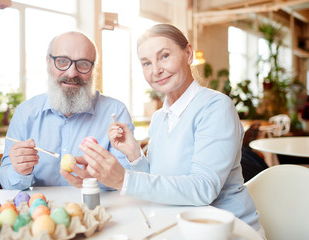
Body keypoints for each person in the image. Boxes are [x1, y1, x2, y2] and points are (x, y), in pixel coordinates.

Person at [75, 24, 265, 237]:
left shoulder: (216, 107)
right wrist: (135, 153)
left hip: (228, 230)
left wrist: (123, 180)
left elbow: (203, 188)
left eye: (164, 56)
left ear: (189, 54)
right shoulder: (159, 118)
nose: (155, 70)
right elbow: (160, 183)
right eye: (146, 63)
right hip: (181, 226)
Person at [0, 31, 134, 190]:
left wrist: (102, 179)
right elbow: (6, 180)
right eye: (62, 61)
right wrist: (19, 171)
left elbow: (130, 180)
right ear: (48, 62)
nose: (72, 73)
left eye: (83, 64)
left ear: (93, 68)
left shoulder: (115, 112)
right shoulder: (25, 113)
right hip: (41, 211)